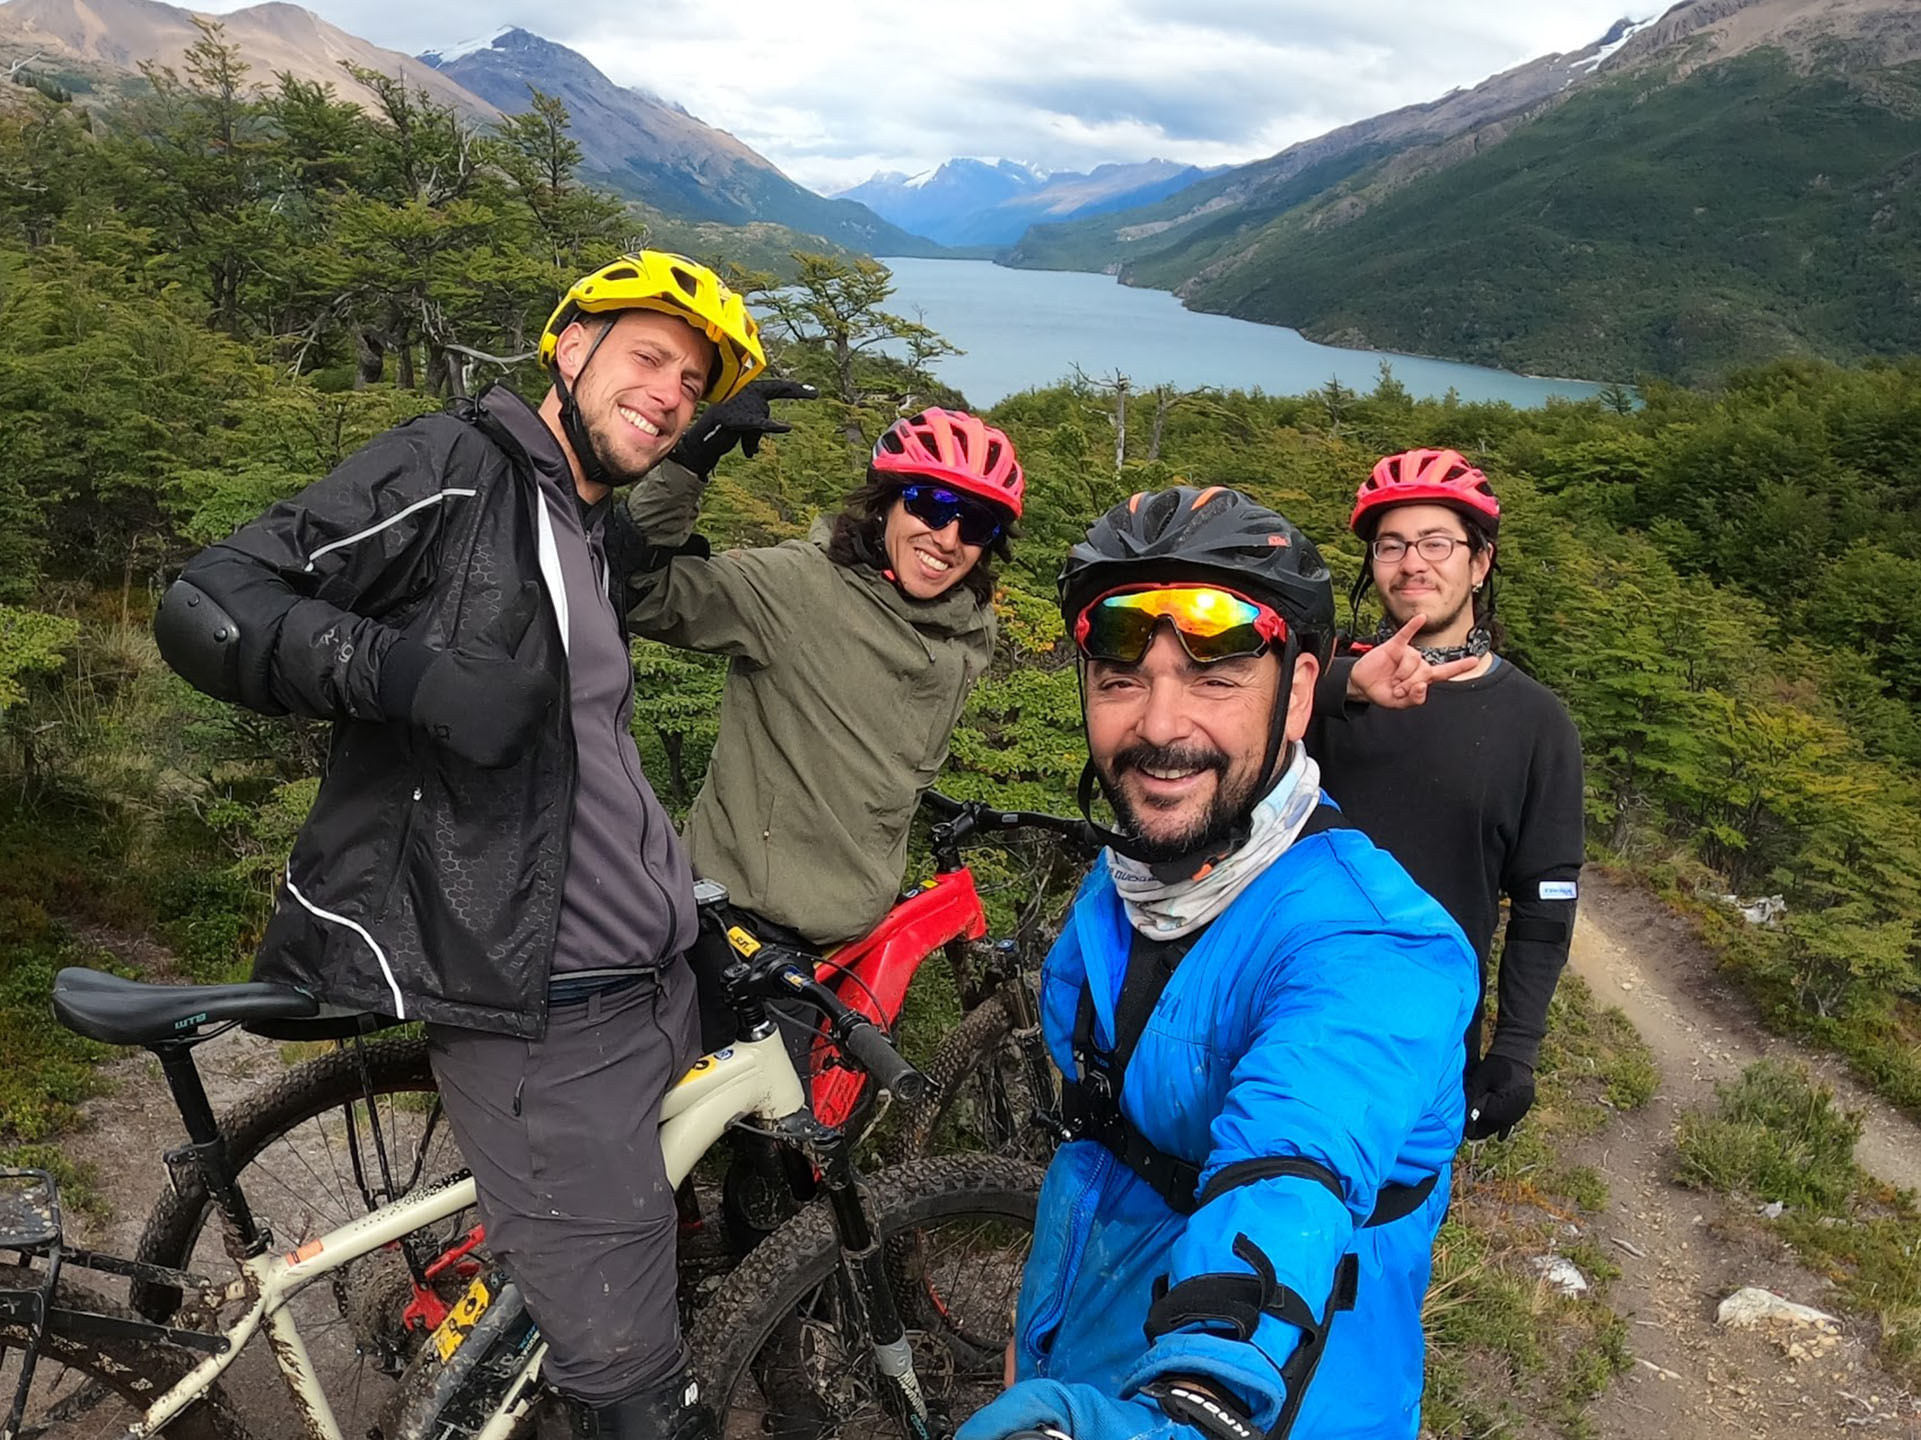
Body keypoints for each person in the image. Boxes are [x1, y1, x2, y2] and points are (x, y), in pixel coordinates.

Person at [152, 251, 765, 1439]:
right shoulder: (453, 468)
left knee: (584, 1311)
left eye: (693, 383)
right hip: (543, 1014)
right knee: (636, 1397)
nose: (671, 391)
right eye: (650, 358)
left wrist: (685, 458)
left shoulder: (577, 519)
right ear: (568, 347)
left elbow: (613, 584)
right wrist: (407, 674)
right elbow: (211, 599)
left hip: (637, 988)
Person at [960, 486, 1478, 1440]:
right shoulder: (1127, 885)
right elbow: (1099, 1160)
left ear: (1299, 695)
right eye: (1121, 679)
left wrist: (1196, 1400)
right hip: (1081, 1369)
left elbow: (1289, 1172)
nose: (1159, 726)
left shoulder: (1370, 948)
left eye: (1214, 677)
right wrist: (1031, 1352)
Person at [619, 404, 1022, 952]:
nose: (948, 539)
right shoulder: (796, 587)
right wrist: (688, 462)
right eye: (931, 505)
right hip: (741, 929)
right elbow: (637, 589)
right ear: (883, 505)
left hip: (861, 934)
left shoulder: (971, 625)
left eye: (975, 523)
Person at [1308, 448, 1585, 1141]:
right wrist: (1342, 686)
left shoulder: (1535, 723)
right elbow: (1230, 722)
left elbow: (1545, 903)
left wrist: (1515, 1053)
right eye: (1390, 545)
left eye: (1436, 543)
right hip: (1287, 1007)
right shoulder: (1317, 690)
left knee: (1385, 1239)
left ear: (1479, 563)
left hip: (1426, 1039)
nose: (1411, 563)